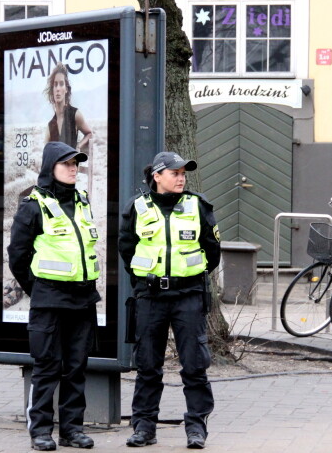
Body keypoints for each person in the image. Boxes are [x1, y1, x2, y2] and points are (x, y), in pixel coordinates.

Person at [118, 151, 221, 449]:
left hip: (188, 295)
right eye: (174, 173)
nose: (180, 178)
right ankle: (144, 427)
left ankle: (197, 428)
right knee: (148, 365)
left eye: (183, 173)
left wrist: (186, 277)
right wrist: (144, 281)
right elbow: (127, 249)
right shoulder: (136, 207)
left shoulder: (197, 205)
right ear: (157, 176)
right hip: (150, 296)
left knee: (194, 365)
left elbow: (212, 250)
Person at [7, 142, 100, 451]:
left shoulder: (82, 201)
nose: (73, 168)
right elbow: (18, 256)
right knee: (47, 367)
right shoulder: (33, 205)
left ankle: (72, 430)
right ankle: (41, 432)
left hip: (83, 299)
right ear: (50, 168)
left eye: (76, 163)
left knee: (76, 367)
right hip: (50, 300)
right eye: (67, 163)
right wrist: (40, 290)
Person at [44, 62, 93, 151]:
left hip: (72, 164)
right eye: (55, 84)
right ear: (52, 90)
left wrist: (78, 146)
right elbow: (46, 156)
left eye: (61, 84)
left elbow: (89, 133)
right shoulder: (50, 126)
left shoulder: (75, 114)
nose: (58, 88)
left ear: (66, 89)